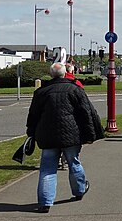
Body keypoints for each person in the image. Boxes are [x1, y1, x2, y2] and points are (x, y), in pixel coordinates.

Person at [26, 62, 103, 213]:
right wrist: (90, 135)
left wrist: (31, 132)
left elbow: (33, 116)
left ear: (51, 75)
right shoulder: (74, 89)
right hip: (71, 133)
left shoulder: (41, 92)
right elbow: (85, 114)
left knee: (47, 168)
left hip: (47, 135)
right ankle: (79, 190)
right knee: (73, 162)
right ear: (65, 73)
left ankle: (45, 202)